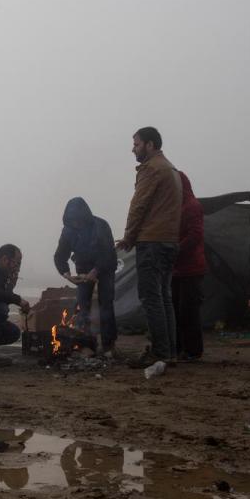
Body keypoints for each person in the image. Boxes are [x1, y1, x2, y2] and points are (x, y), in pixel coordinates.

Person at [116, 127, 183, 364]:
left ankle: (160, 353)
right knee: (164, 298)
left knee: (151, 298)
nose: (133, 149)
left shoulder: (151, 169)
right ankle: (169, 353)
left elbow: (139, 206)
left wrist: (128, 237)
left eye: (136, 144)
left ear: (150, 145)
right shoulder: (171, 170)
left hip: (152, 242)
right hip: (169, 242)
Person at [53, 197, 118, 355]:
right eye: (72, 221)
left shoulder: (100, 226)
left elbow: (108, 254)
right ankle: (85, 343)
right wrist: (67, 274)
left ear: (85, 216)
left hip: (105, 267)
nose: (76, 224)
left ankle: (109, 344)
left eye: (78, 221)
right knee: (83, 306)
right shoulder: (68, 231)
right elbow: (60, 256)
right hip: (83, 268)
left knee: (106, 304)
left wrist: (95, 271)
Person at [172, 171, 206, 361]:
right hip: (176, 269)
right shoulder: (174, 207)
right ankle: (178, 348)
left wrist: (176, 249)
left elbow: (195, 235)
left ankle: (193, 351)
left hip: (192, 268)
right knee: (175, 309)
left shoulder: (192, 206)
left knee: (188, 310)